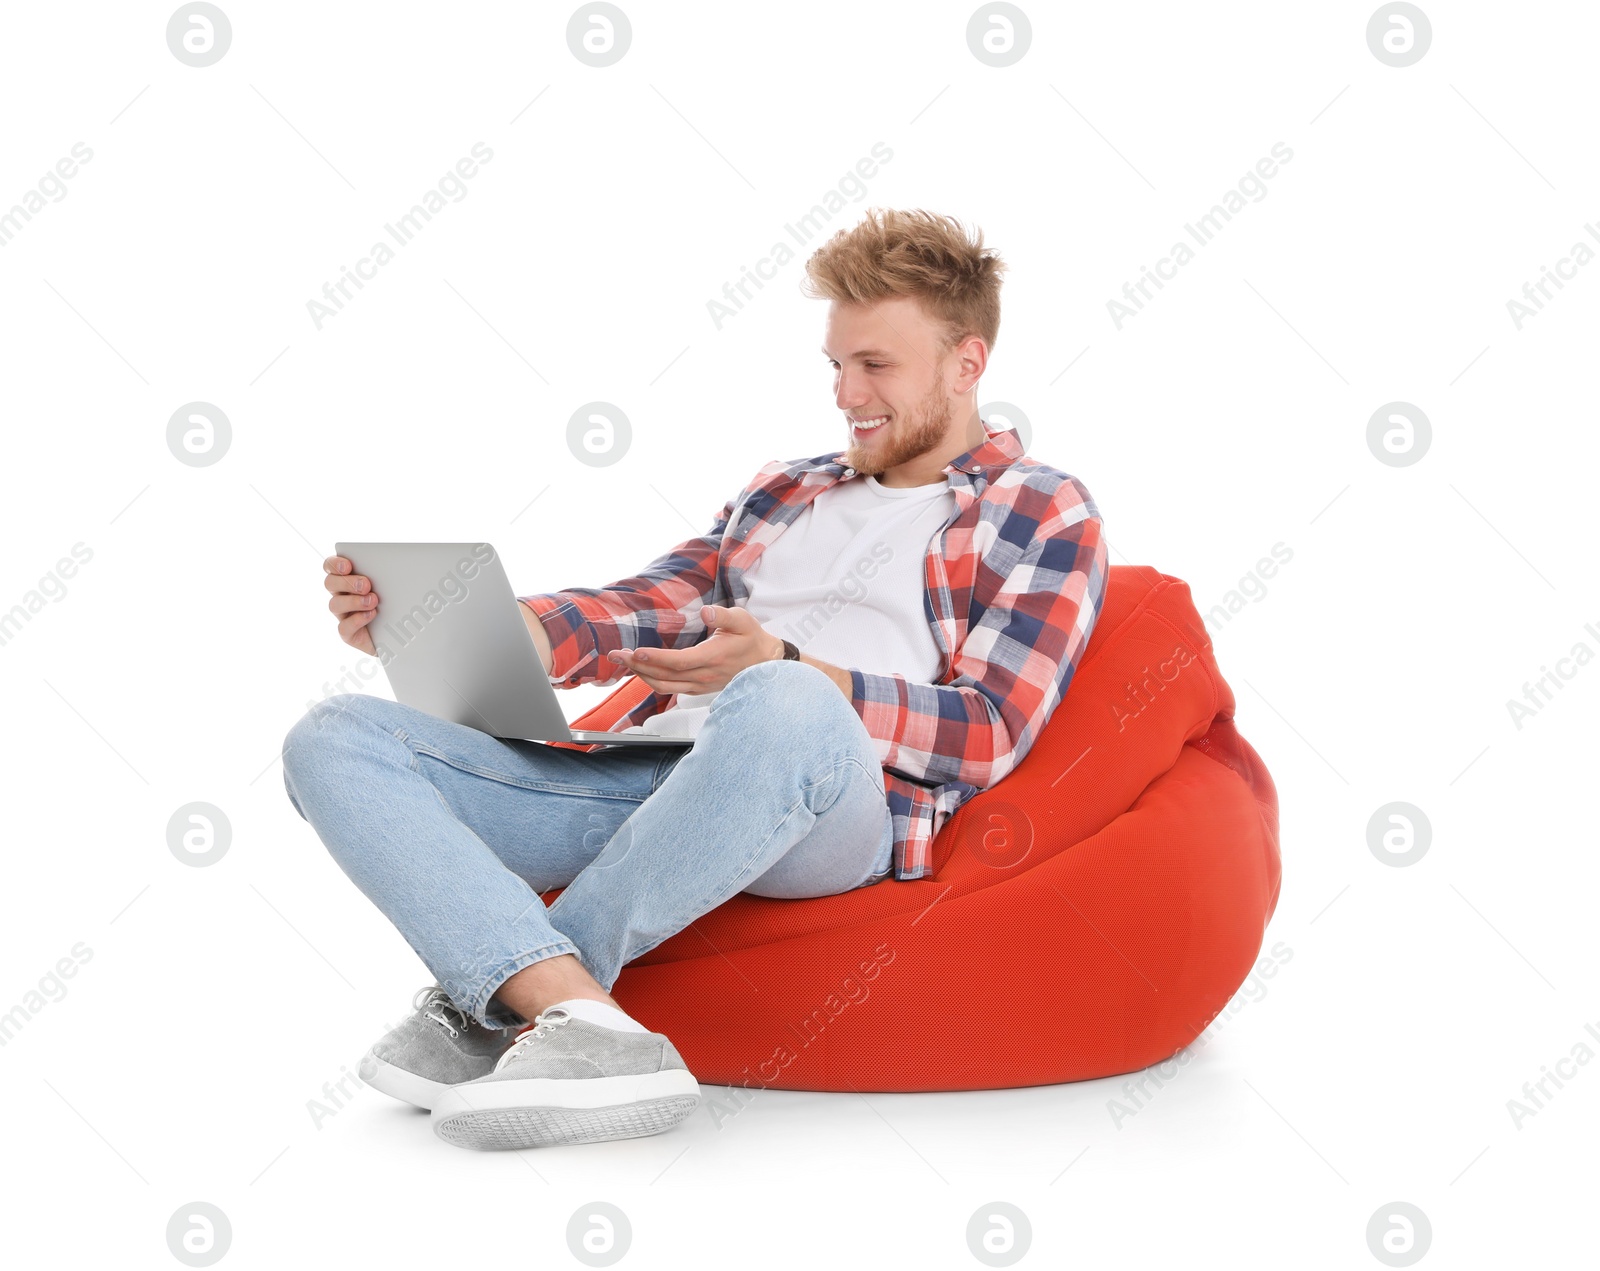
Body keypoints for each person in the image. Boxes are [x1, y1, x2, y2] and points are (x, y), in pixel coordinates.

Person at [282, 207, 1109, 1153]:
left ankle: (502, 1006)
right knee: (334, 737)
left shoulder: (1044, 510)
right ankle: (574, 1017)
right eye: (834, 364)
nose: (846, 392)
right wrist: (502, 624)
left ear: (967, 365)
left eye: (874, 365)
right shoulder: (788, 490)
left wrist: (787, 666)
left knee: (782, 699)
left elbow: (988, 730)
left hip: (836, 798)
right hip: (661, 774)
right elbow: (655, 600)